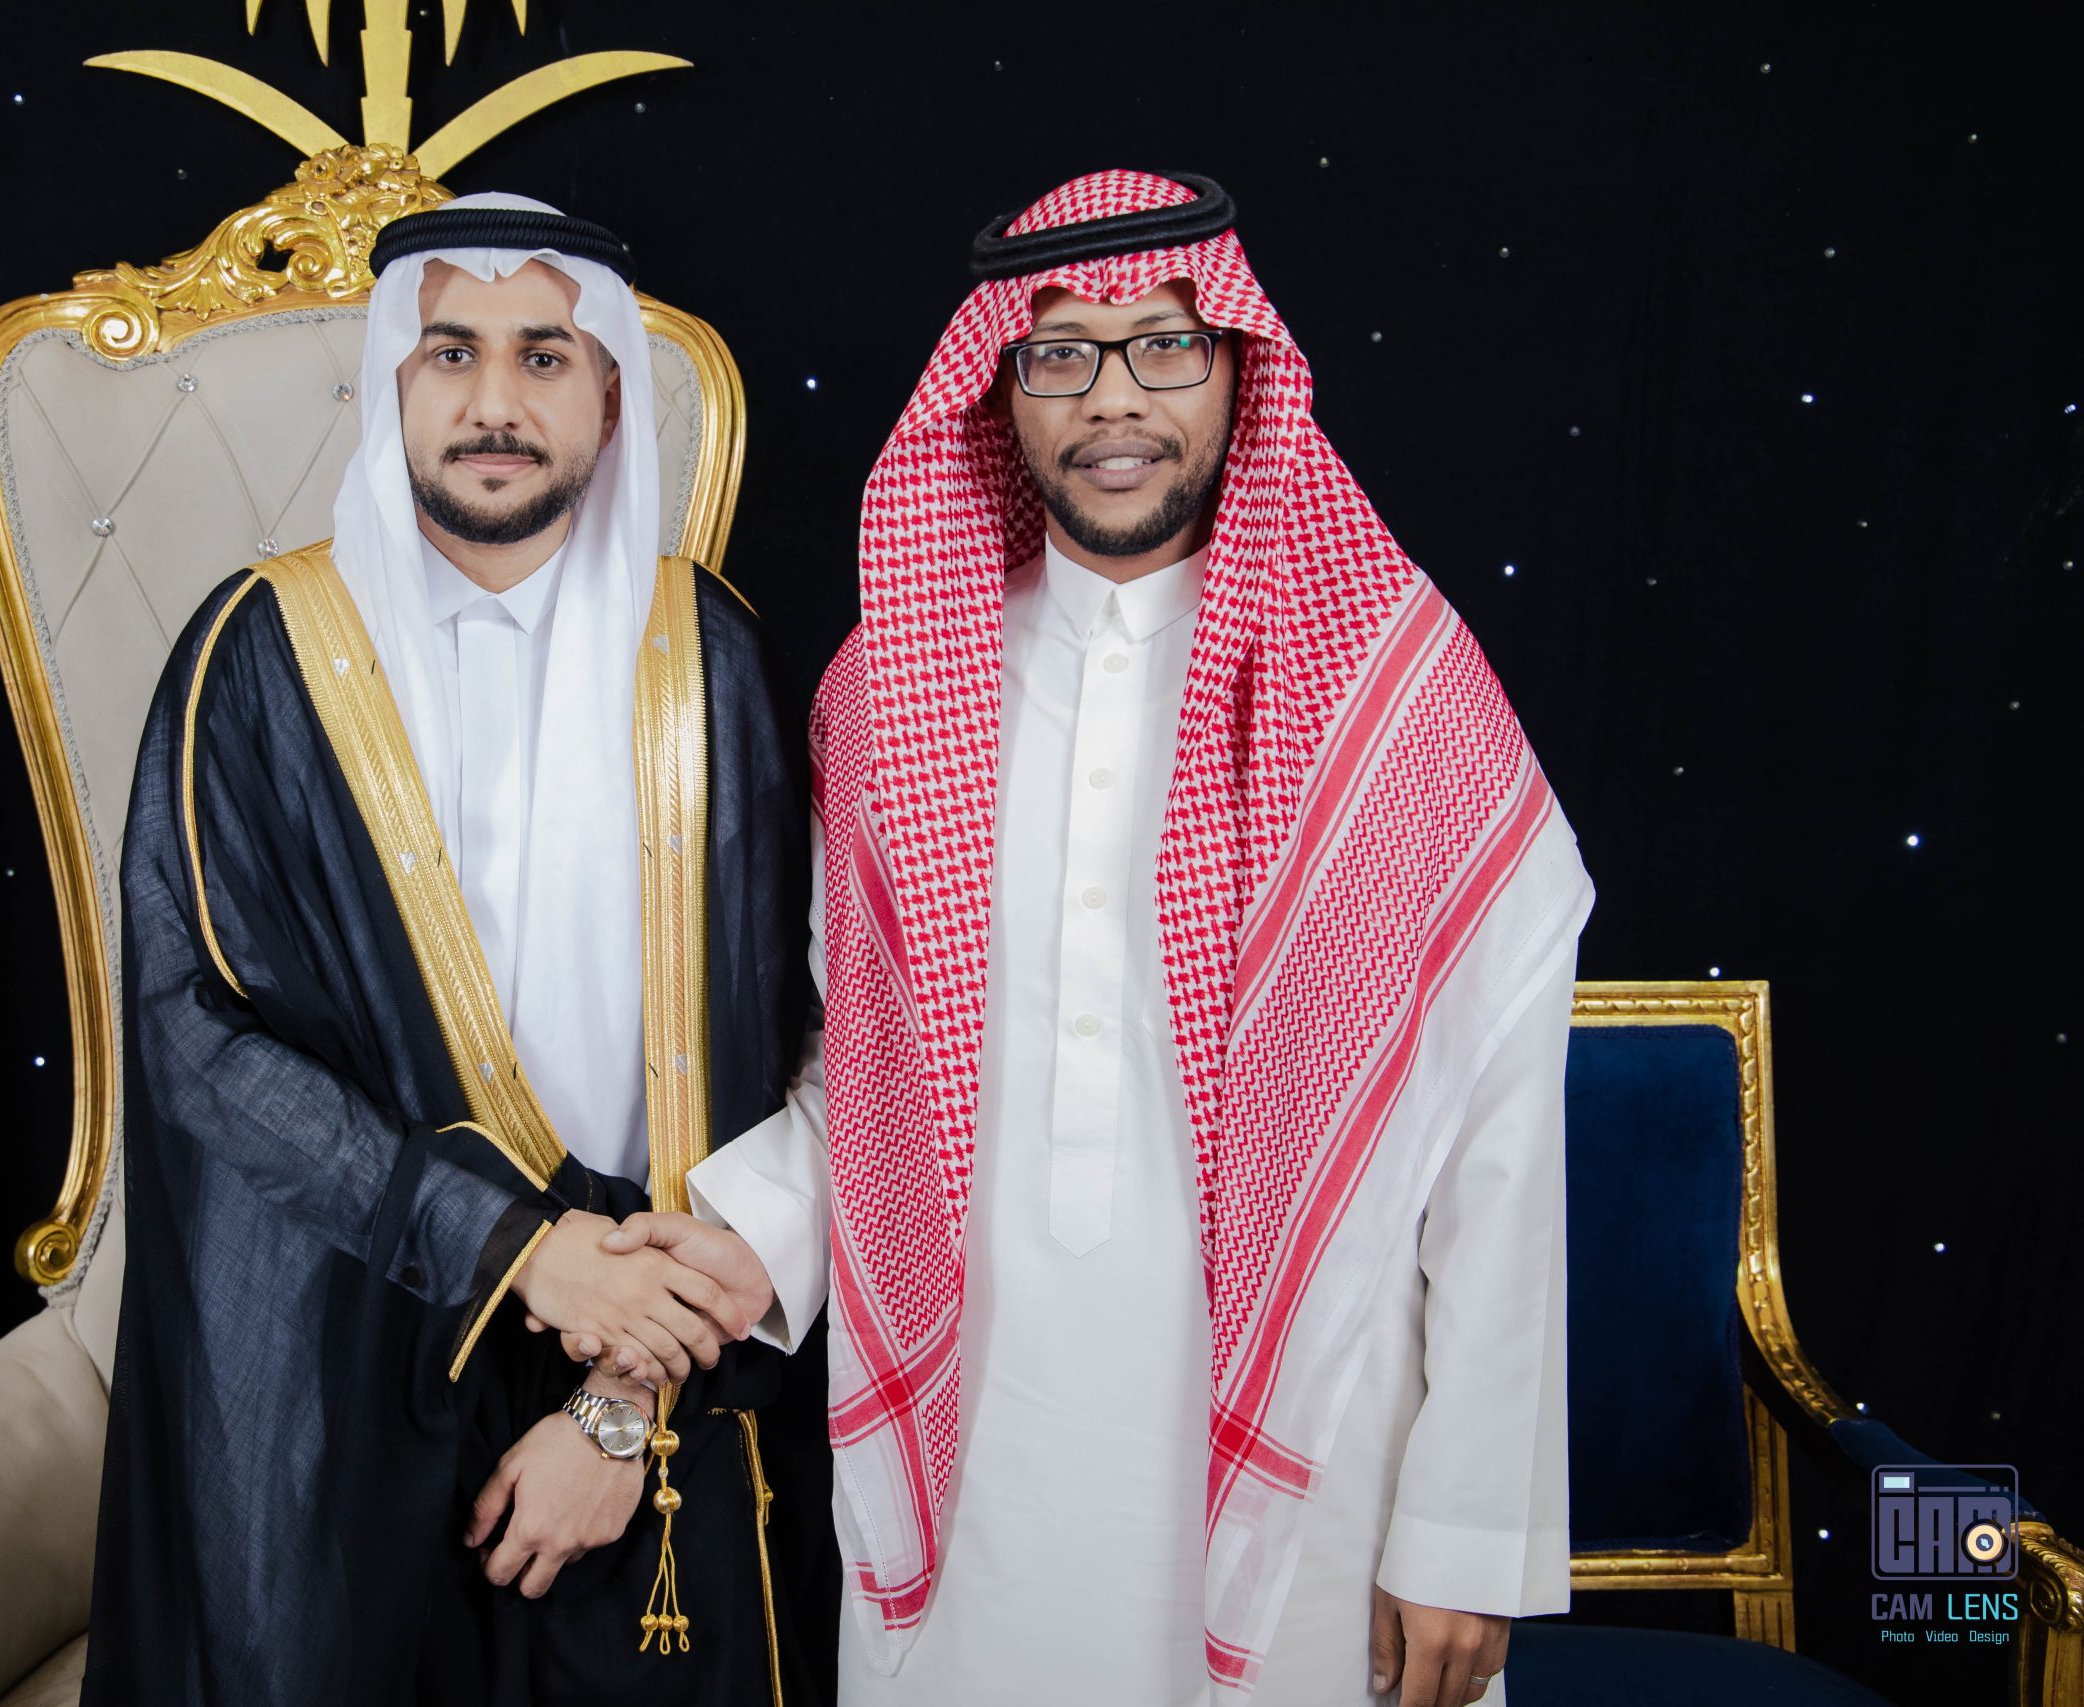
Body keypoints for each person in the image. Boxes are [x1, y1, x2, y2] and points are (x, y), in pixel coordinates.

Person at [603, 169, 1594, 1706]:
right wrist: (744, 1245)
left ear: (1238, 369)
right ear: (999, 391)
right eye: (1060, 351)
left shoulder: (1391, 696)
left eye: (1164, 345)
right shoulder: (889, 691)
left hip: (1316, 1460)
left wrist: (1469, 1527)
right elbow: (873, 1077)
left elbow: (1500, 1139)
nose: (1113, 397)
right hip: (979, 1452)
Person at [82, 193, 832, 1706]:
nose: (496, 402)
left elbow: (827, 1043)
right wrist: (517, 1250)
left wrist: (623, 1399)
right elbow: (194, 1040)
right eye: (453, 354)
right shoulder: (257, 656)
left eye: (544, 357)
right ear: (394, 378)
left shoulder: (716, 661)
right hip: (339, 1381)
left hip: (657, 1388)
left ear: (608, 392)